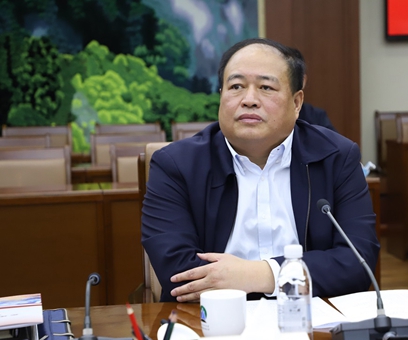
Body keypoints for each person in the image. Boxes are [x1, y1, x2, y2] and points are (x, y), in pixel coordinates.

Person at [141, 38, 379, 302]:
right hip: (212, 319)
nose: (249, 100)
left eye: (266, 87)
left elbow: (358, 261)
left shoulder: (337, 157)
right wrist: (290, 276)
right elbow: (178, 272)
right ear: (221, 96)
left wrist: (262, 275)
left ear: (297, 102)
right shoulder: (176, 165)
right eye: (236, 87)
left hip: (310, 317)